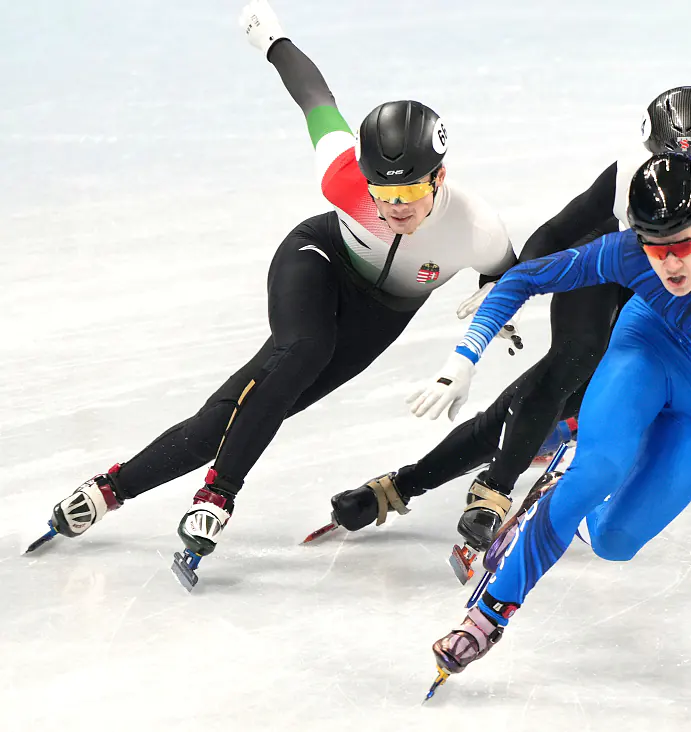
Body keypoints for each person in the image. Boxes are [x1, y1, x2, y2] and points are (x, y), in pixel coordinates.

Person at [27, 0, 517, 581]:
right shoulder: (344, 178)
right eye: (381, 194)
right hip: (317, 260)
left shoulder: (476, 228)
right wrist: (272, 39)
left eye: (409, 194)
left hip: (378, 319)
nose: (394, 209)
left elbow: (512, 274)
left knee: (234, 418)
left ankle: (110, 489)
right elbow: (315, 99)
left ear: (439, 176)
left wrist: (494, 298)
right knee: (304, 349)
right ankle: (218, 496)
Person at [313, 86, 691, 559]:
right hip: (608, 271)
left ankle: (403, 485)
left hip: (663, 315)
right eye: (665, 159)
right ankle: (492, 489)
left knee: (539, 403)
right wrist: (509, 283)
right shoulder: (629, 173)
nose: (678, 175)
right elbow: (558, 232)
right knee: (568, 364)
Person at [407, 151, 691, 676]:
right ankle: (487, 617)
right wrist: (462, 360)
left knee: (615, 543)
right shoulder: (626, 253)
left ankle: (564, 496)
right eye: (655, 246)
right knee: (598, 471)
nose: (670, 264)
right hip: (646, 354)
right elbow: (522, 279)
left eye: (683, 244)